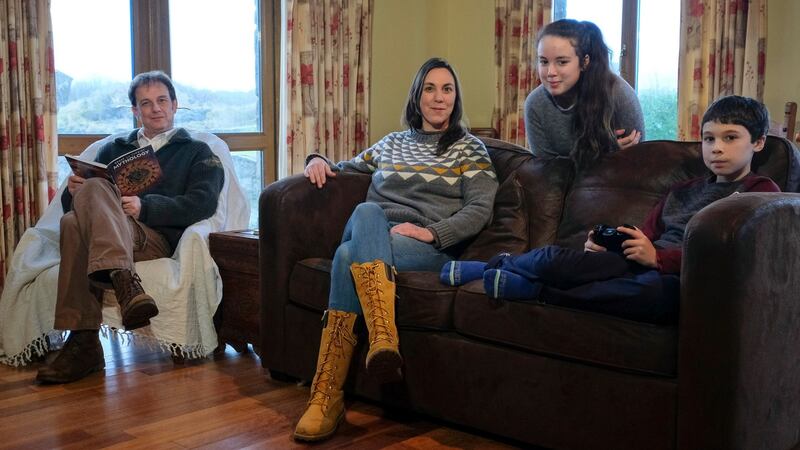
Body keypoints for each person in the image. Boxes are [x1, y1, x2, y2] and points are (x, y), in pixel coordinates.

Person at [293, 57, 498, 441]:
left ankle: (325, 397)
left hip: (423, 248)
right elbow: (347, 166)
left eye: (448, 89)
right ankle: (382, 337)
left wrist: (433, 233)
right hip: (376, 231)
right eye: (430, 89)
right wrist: (317, 160)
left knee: (344, 255)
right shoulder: (391, 143)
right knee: (368, 212)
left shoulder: (469, 150)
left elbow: (480, 210)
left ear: (456, 97)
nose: (439, 98)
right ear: (417, 96)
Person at [444, 95, 779, 323]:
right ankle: (496, 265)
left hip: (681, 278)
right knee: (555, 257)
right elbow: (646, 233)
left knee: (652, 294)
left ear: (758, 142)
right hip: (639, 261)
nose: (716, 148)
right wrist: (616, 243)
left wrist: (658, 259)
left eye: (730, 138)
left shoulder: (760, 193)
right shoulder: (682, 190)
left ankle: (537, 291)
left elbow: (726, 254)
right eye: (709, 139)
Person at [35, 71, 225, 384]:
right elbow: (76, 213)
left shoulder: (197, 152)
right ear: (135, 111)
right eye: (146, 103)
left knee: (82, 211)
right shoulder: (112, 150)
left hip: (152, 237)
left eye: (162, 100)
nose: (156, 109)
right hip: (108, 236)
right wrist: (72, 193)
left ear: (174, 105)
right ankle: (123, 285)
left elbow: (203, 203)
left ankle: (83, 344)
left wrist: (145, 207)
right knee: (72, 219)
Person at [524, 19, 645, 168]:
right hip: (559, 190)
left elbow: (639, 166)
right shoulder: (535, 104)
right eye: (543, 62)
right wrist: (605, 157)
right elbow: (546, 172)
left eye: (562, 62)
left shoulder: (620, 95)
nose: (550, 72)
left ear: (584, 62)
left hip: (619, 187)